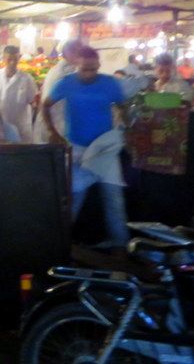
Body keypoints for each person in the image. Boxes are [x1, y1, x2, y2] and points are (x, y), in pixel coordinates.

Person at [42, 46, 129, 252]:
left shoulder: (110, 83)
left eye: (92, 69)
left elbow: (123, 105)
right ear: (77, 66)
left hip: (105, 148)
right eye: (84, 69)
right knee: (73, 197)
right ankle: (60, 242)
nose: (88, 73)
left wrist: (124, 123)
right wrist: (52, 131)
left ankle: (120, 244)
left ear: (98, 66)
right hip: (78, 147)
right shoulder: (66, 83)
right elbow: (45, 105)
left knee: (113, 198)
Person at [32, 39, 82, 143]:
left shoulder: (71, 70)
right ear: (66, 52)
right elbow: (45, 105)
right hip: (55, 128)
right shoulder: (60, 73)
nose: (79, 54)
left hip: (61, 127)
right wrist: (52, 131)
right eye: (74, 50)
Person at [0, 45, 37, 142]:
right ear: (3, 59)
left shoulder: (27, 79)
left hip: (20, 129)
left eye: (15, 59)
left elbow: (33, 102)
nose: (12, 63)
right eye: (9, 59)